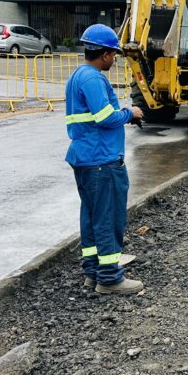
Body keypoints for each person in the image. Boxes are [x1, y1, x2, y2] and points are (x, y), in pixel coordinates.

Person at [65, 24, 145, 295]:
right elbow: (105, 117)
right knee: (108, 218)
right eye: (114, 55)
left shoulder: (78, 76)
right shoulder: (94, 79)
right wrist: (129, 114)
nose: (114, 59)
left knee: (90, 216)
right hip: (102, 159)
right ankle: (110, 278)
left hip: (86, 158)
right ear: (107, 54)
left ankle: (93, 272)